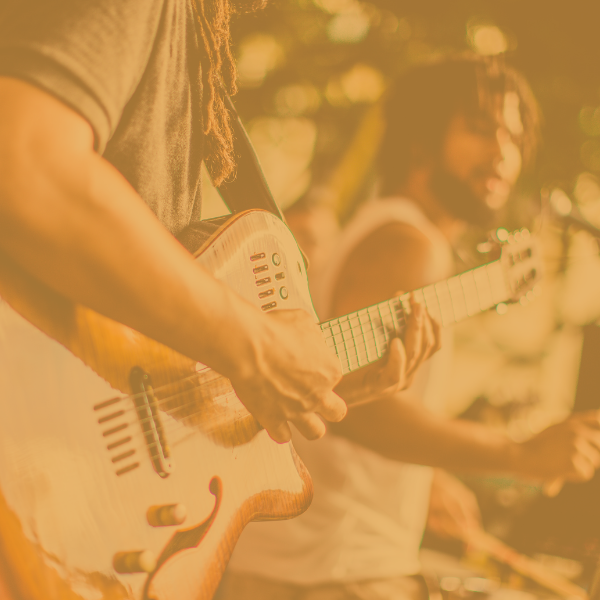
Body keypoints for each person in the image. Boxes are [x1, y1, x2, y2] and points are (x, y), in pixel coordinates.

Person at [217, 55, 600, 600]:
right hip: (334, 570)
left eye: (514, 136)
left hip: (311, 563)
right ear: (421, 139)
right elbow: (348, 410)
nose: (503, 153)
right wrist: (521, 455)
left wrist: (425, 479)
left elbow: (352, 395)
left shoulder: (386, 231)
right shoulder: (408, 241)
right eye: (480, 128)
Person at [0, 0, 438, 448]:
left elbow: (135, 325)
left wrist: (317, 385)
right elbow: (27, 165)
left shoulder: (190, 32)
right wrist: (256, 346)